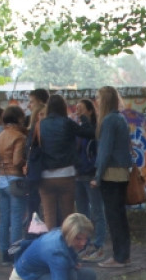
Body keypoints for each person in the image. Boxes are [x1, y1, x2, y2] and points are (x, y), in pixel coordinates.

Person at [31, 95, 93, 232]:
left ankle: (50, 242)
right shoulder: (67, 122)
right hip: (66, 174)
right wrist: (83, 117)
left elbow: (30, 147)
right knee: (67, 216)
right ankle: (67, 242)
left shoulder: (39, 125)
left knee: (49, 216)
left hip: (45, 176)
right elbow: (89, 133)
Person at [91, 85, 133, 268]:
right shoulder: (120, 118)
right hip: (122, 173)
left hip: (111, 174)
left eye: (98, 98)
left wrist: (97, 176)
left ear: (105, 100)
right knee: (120, 217)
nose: (96, 101)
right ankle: (123, 255)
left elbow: (105, 151)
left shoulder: (108, 120)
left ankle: (118, 257)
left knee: (113, 217)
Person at [0, 104, 28, 266]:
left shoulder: (0, 136)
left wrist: (2, 165)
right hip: (16, 180)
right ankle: (15, 254)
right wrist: (26, 163)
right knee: (16, 218)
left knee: (4, 217)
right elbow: (17, 161)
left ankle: (4, 253)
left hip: (1, 179)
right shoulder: (20, 137)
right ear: (19, 118)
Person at [73, 99, 107, 262]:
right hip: (78, 175)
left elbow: (97, 147)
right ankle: (83, 245)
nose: (77, 111)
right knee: (81, 213)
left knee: (97, 211)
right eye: (76, 108)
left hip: (90, 174)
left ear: (90, 111)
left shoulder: (95, 129)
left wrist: (97, 174)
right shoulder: (78, 129)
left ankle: (98, 245)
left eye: (81, 108)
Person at [24, 88, 49, 227]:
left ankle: (33, 233)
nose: (29, 105)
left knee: (35, 207)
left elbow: (32, 148)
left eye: (31, 102)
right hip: (41, 171)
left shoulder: (37, 126)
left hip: (37, 172)